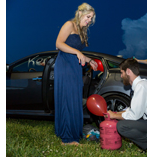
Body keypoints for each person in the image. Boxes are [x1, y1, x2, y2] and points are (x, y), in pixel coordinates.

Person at [54, 2, 98, 146]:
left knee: (74, 99)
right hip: (65, 65)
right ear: (80, 13)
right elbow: (59, 44)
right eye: (88, 16)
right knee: (67, 98)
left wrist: (89, 60)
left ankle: (72, 132)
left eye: (91, 18)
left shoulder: (82, 31)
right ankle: (67, 139)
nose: (89, 20)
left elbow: (77, 53)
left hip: (75, 66)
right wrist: (78, 52)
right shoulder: (69, 24)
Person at [107, 58, 147, 153]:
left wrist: (114, 116)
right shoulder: (141, 84)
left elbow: (134, 115)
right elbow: (133, 109)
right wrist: (116, 113)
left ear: (128, 71)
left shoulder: (141, 86)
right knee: (124, 121)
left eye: (122, 73)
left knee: (122, 126)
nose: (121, 76)